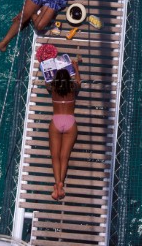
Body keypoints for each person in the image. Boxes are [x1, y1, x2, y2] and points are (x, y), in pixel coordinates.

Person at [46, 60, 81, 200]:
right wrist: (76, 67)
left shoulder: (52, 88)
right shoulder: (73, 88)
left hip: (56, 121)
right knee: (64, 156)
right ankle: (60, 185)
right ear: (68, 80)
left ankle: (57, 184)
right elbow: (78, 81)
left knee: (55, 156)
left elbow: (47, 79)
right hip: (70, 122)